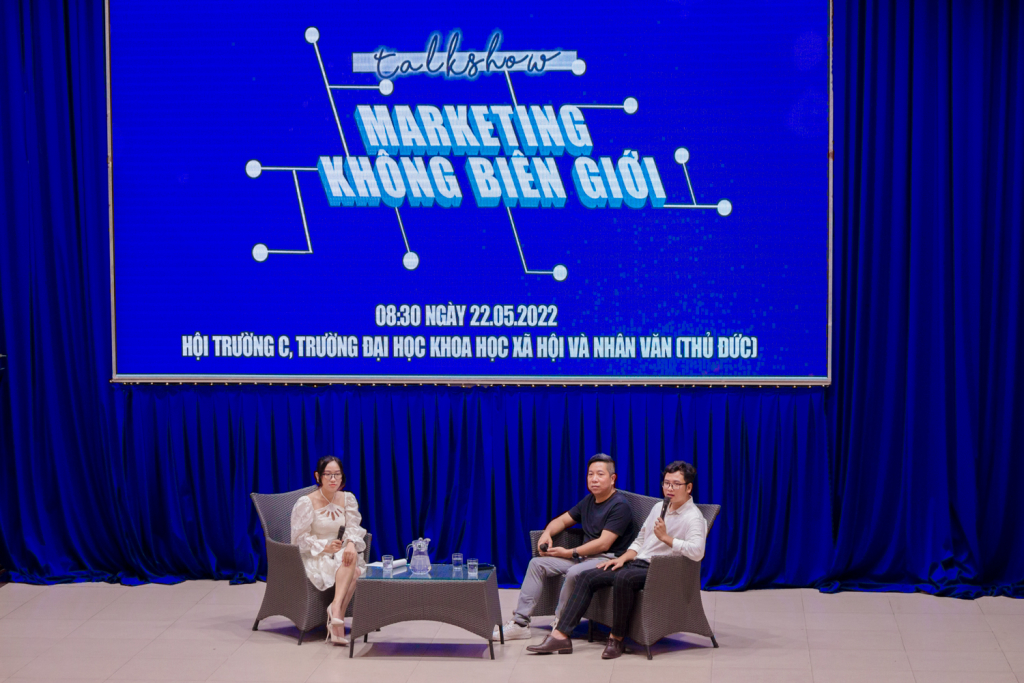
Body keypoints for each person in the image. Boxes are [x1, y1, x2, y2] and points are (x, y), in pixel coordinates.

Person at [526, 460, 706, 658]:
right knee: (588, 576)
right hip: (638, 563)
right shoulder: (659, 507)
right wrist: (623, 558)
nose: (669, 489)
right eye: (666, 483)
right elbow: (640, 540)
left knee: (623, 578)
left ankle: (616, 639)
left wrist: (666, 538)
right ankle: (560, 635)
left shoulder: (693, 517)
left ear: (689, 488)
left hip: (661, 569)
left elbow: (697, 552)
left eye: (676, 484)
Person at [495, 453, 634, 641]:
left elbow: (604, 543)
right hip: (584, 557)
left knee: (574, 572)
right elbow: (561, 521)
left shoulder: (620, 506)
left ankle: (560, 627)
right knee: (537, 564)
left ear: (612, 478)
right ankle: (520, 623)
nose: (594, 479)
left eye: (600, 474)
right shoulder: (589, 501)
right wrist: (547, 533)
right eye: (590, 474)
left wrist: (569, 552)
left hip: (607, 560)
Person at [290, 455, 367, 645]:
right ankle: (337, 614)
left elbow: (353, 527)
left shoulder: (348, 499)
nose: (333, 479)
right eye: (328, 474)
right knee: (355, 571)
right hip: (316, 555)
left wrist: (351, 543)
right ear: (318, 476)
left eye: (337, 474)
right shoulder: (306, 502)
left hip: (341, 552)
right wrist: (325, 546)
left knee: (349, 557)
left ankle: (335, 609)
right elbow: (298, 539)